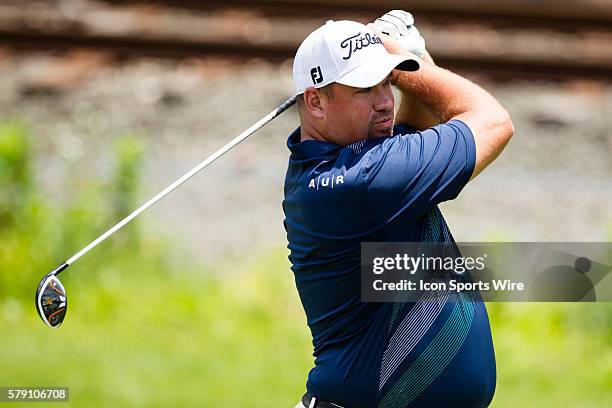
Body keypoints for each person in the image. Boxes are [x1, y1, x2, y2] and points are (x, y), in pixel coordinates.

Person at [283, 12, 513, 408]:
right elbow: (494, 122)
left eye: (388, 82)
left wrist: (406, 60)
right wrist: (411, 64)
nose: (385, 102)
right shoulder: (365, 181)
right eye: (365, 89)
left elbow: (415, 132)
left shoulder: (341, 164)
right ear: (316, 102)